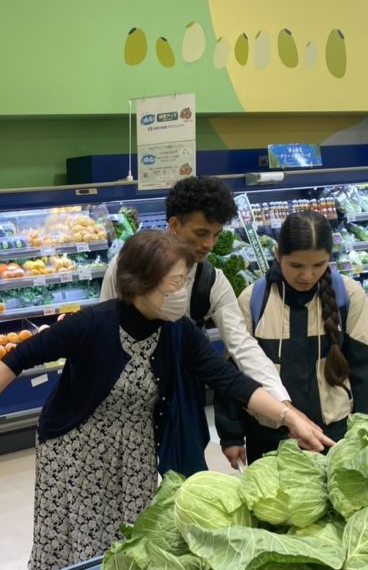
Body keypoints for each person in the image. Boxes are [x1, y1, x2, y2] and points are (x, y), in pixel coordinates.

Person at [0, 230, 331, 570]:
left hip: (135, 447)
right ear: (140, 283)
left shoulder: (179, 332)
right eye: (175, 282)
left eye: (185, 281)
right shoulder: (93, 324)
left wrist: (289, 416)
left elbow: (230, 380)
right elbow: (21, 355)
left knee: (129, 536)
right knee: (81, 537)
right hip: (75, 447)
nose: (183, 292)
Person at [101, 176, 290, 471]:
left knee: (186, 476)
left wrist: (280, 402)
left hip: (182, 389)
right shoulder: (128, 265)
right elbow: (105, 328)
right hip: (125, 387)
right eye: (201, 233)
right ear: (174, 224)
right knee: (128, 473)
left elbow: (242, 345)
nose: (208, 244)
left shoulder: (212, 281)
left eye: (216, 234)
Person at [215, 210, 368, 466]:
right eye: (296, 266)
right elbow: (233, 374)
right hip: (269, 439)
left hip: (335, 437)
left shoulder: (349, 296)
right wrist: (232, 436)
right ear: (278, 254)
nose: (307, 276)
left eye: (319, 265)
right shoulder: (253, 300)